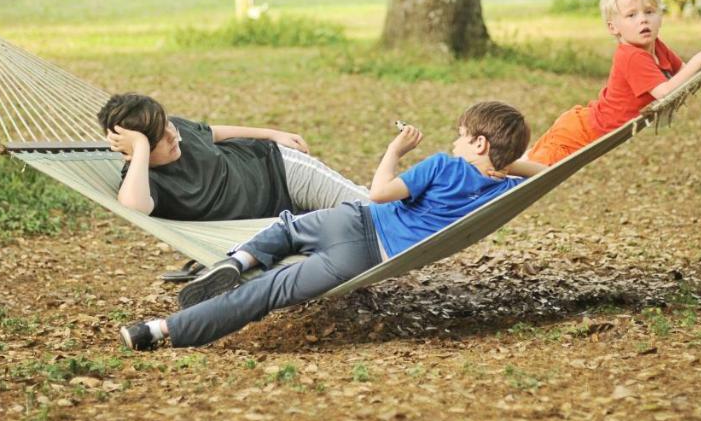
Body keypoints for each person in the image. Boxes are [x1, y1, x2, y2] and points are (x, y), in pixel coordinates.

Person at [119, 100, 538, 350]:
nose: (454, 142)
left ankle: (241, 259)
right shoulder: (503, 191)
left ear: (478, 143)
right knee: (269, 292)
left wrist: (395, 149)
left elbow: (377, 192)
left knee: (288, 227)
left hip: (355, 218)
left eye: (462, 136)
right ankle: (155, 331)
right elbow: (539, 170)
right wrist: (498, 161)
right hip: (365, 256)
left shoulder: (442, 165)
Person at [524, 0, 701, 166]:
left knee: (525, 160)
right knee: (527, 173)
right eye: (631, 15)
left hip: (583, 124)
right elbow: (665, 93)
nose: (643, 20)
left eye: (649, 12)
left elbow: (686, 74)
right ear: (614, 28)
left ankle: (496, 168)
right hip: (582, 133)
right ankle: (491, 175)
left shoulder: (656, 46)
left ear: (661, 17)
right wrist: (699, 59)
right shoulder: (632, 56)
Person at [98, 93, 365, 222]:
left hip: (279, 170)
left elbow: (214, 132)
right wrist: (141, 149)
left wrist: (272, 134)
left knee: (368, 205)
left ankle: (406, 198)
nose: (174, 136)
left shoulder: (175, 130)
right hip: (277, 218)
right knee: (353, 222)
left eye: (169, 124)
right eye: (160, 136)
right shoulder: (145, 181)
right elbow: (134, 208)